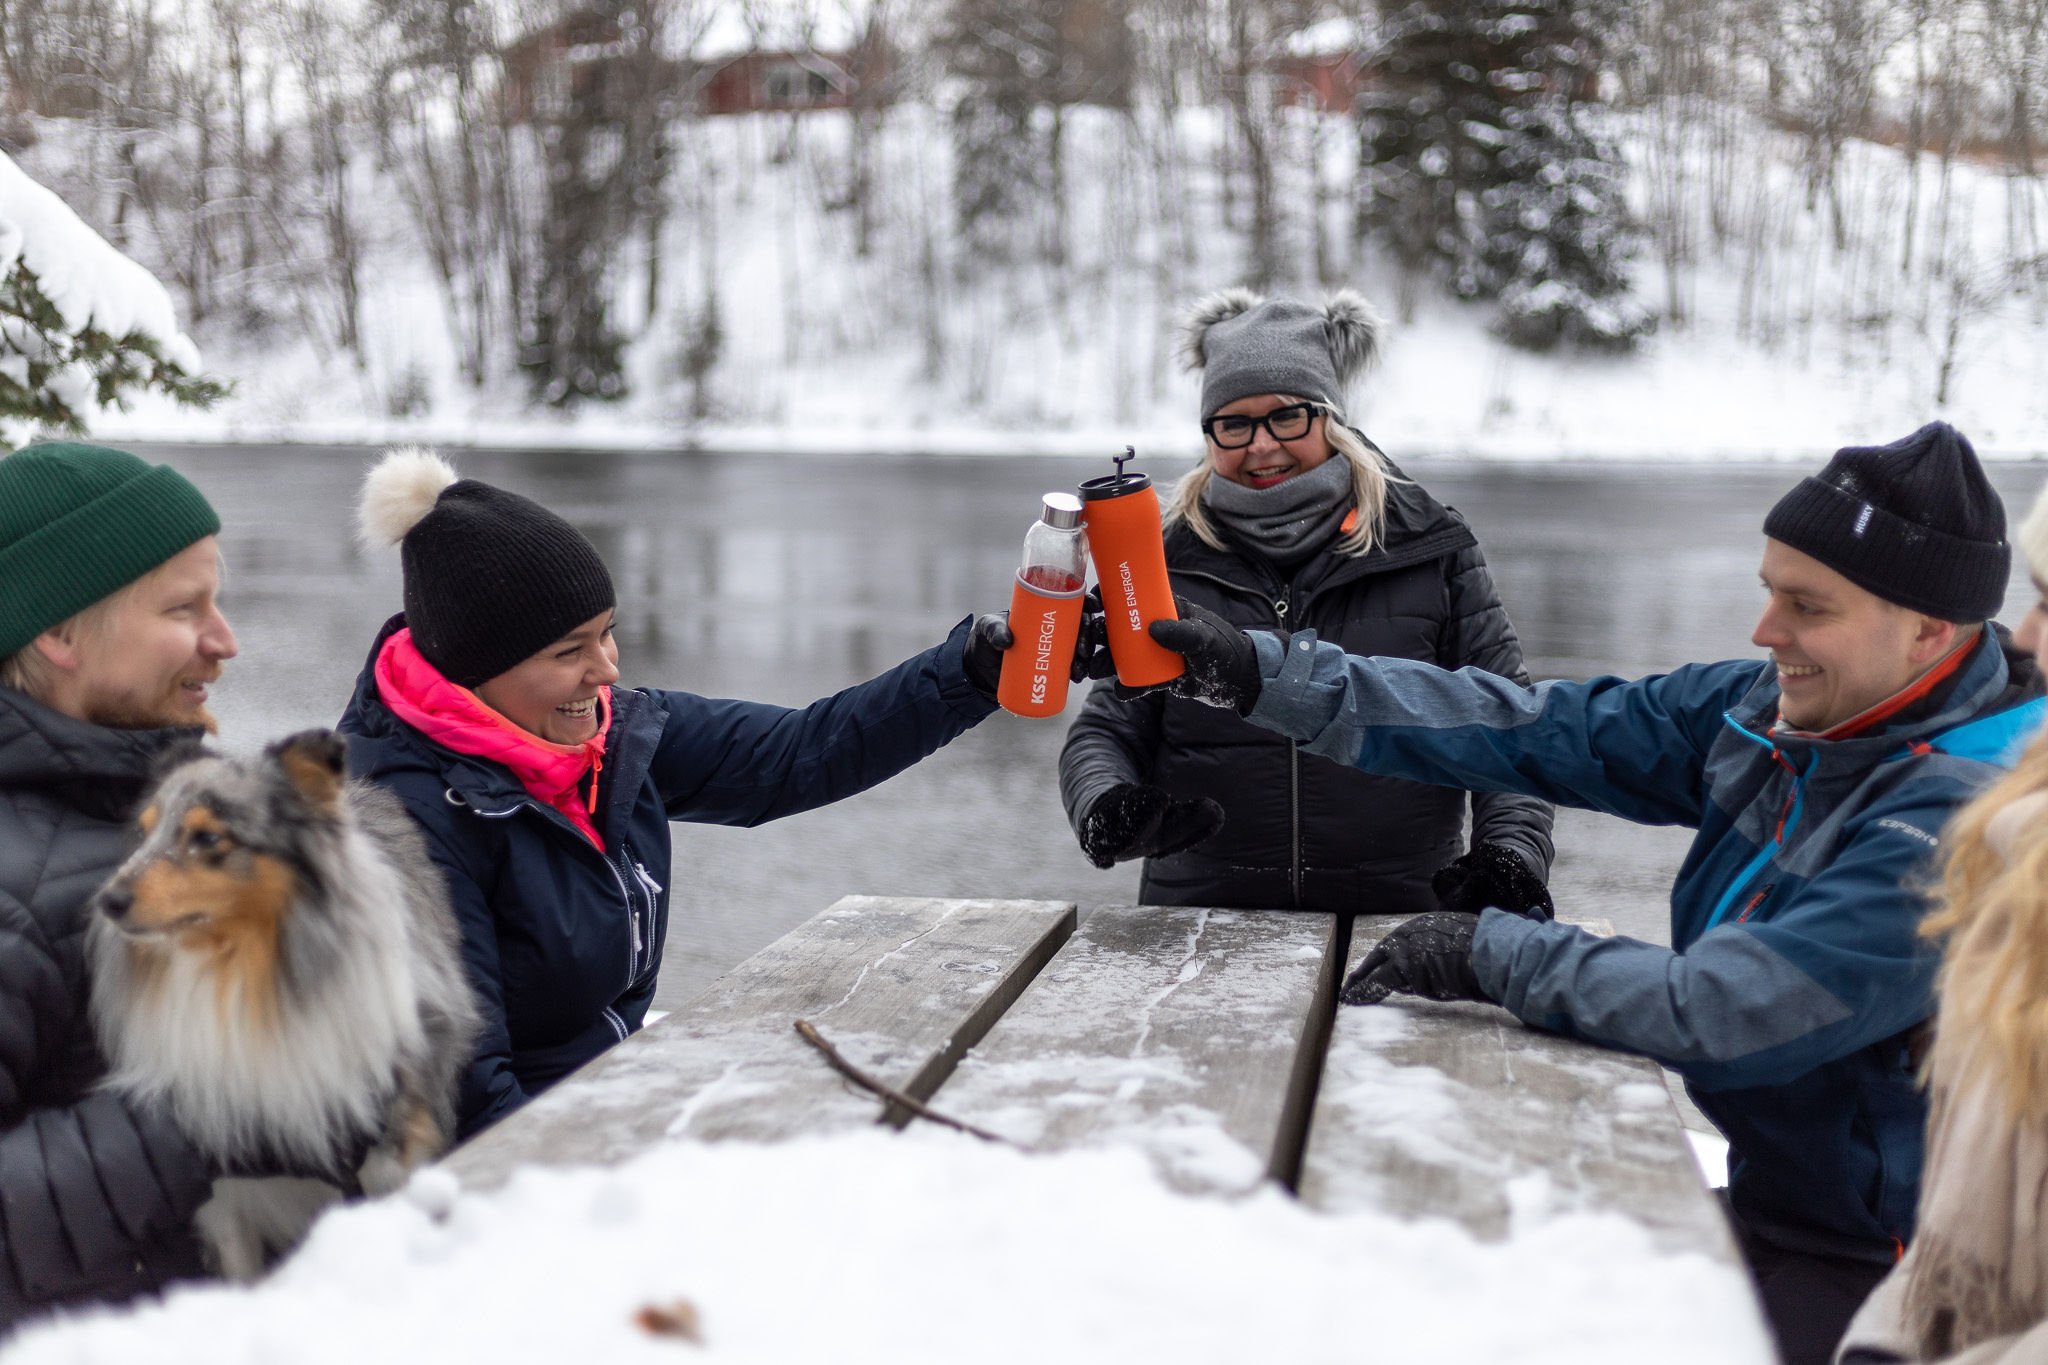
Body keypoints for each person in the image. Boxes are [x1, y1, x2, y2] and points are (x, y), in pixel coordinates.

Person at [1128, 422, 2045, 1365]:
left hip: (1895, 1265)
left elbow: (1728, 1009)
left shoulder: (1962, 822)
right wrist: (1257, 674)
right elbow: (1531, 726)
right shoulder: (1777, 711)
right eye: (1767, 592)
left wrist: (1488, 951)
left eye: (1807, 607)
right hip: (1774, 1204)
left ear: (1933, 628)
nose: (1767, 633)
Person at [339, 449, 1021, 1139]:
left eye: (607, 633)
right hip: (518, 1165)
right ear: (476, 668)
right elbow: (469, 1094)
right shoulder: (406, 821)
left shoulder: (614, 737)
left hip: (605, 1101)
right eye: (569, 650)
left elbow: (801, 755)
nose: (606, 668)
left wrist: (974, 669)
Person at [1059, 288, 1554, 917]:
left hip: (1396, 923)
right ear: (1208, 434)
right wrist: (1103, 803)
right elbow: (1107, 728)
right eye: (1233, 423)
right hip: (1198, 926)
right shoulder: (1163, 560)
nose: (1260, 445)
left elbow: (1507, 722)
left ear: (1329, 417)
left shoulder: (1429, 547)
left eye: (1286, 416)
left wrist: (1510, 855)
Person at [0, 442, 236, 1326]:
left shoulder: (167, 805)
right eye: (186, 608)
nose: (226, 640)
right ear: (58, 633)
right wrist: (219, 1114)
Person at [1834, 732, 2048, 1363]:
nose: (2024, 633)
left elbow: (1731, 1009)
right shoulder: (2008, 889)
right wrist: (1879, 1347)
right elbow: (1949, 1239)